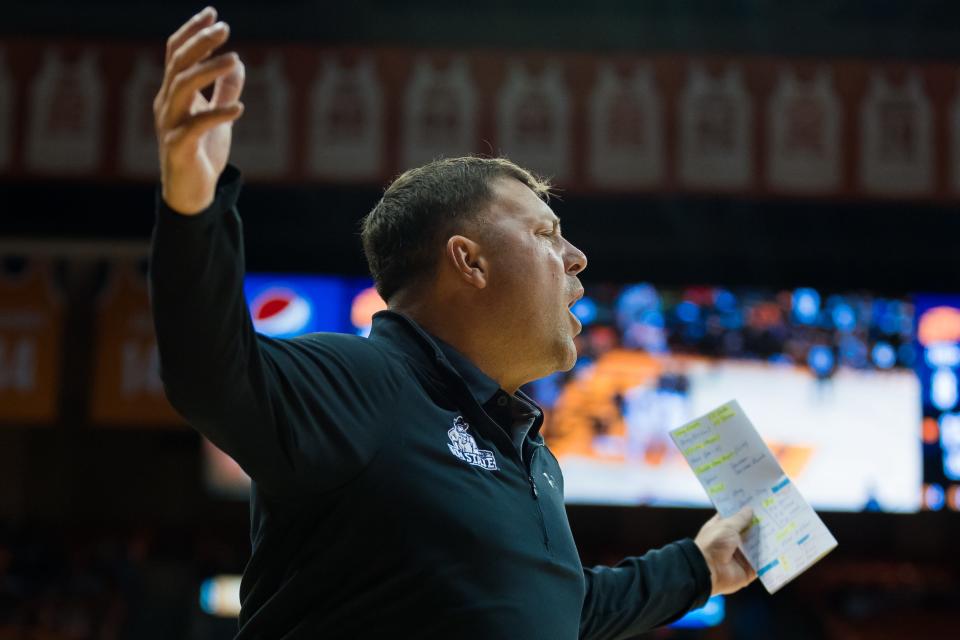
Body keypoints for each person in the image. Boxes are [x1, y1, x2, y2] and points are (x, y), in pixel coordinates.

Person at [149, 7, 757, 639]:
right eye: (546, 233)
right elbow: (209, 372)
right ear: (468, 261)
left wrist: (698, 568)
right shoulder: (364, 382)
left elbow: (558, 609)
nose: (577, 258)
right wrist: (194, 202)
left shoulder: (530, 451)